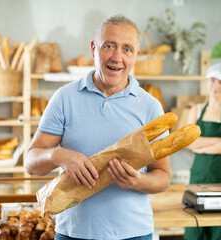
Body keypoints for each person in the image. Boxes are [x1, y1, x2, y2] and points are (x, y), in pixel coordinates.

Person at [25, 14, 172, 240]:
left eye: (127, 49)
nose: (117, 57)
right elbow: (31, 163)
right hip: (73, 234)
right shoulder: (65, 98)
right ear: (94, 48)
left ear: (136, 56)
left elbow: (163, 176)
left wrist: (137, 181)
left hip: (134, 235)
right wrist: (59, 155)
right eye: (109, 46)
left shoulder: (150, 107)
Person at [184, 64, 221, 240]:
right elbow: (187, 141)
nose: (215, 86)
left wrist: (200, 146)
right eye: (212, 80)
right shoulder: (196, 110)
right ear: (207, 81)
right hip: (199, 175)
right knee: (197, 225)